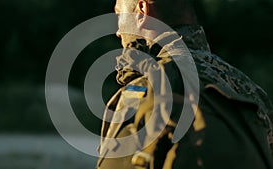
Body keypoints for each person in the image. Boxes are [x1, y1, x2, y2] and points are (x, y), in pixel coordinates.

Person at [97, 0, 273, 169]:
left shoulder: (147, 88)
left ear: (142, 12)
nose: (118, 32)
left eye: (119, 14)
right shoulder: (249, 90)